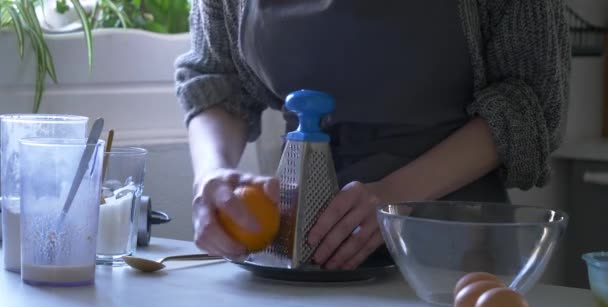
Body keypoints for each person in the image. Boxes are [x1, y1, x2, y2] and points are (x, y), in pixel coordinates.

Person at [174, 0, 571, 271]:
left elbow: (529, 102)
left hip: (450, 254)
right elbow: (217, 77)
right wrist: (212, 173)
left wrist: (392, 194)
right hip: (295, 254)